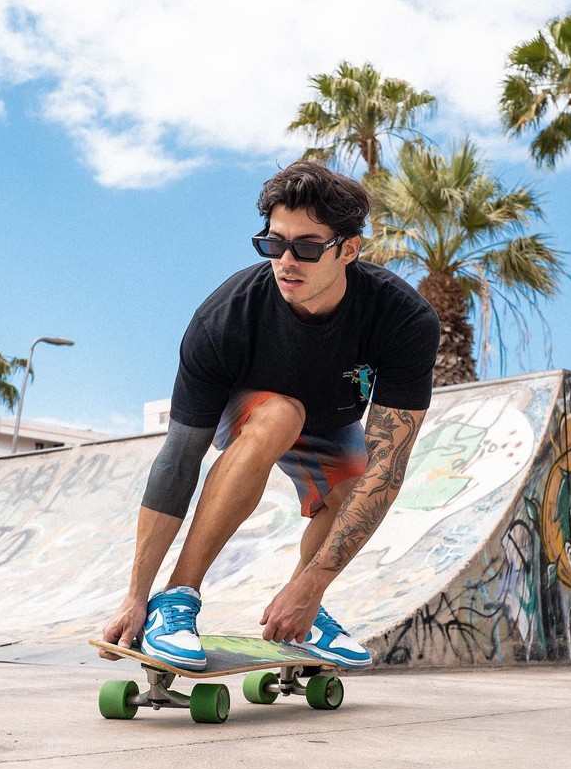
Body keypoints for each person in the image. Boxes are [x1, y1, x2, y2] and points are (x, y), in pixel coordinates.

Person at [99, 161, 441, 671]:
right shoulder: (225, 318)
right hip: (250, 411)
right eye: (273, 243)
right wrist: (135, 596)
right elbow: (179, 458)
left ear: (349, 249)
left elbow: (388, 468)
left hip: (329, 421)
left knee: (358, 480)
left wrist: (312, 583)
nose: (286, 260)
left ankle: (307, 612)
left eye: (306, 246)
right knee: (281, 414)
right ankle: (177, 600)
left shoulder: (402, 320)